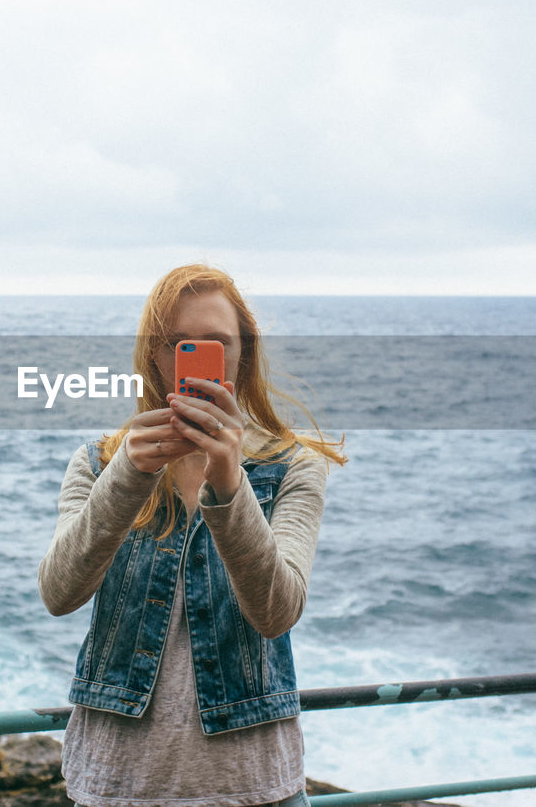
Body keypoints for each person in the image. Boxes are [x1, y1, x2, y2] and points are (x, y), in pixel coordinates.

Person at [38, 264, 346, 807]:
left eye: (216, 344)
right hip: (117, 785)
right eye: (178, 345)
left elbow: (276, 611)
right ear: (154, 357)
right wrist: (128, 478)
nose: (198, 359)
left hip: (252, 788)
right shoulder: (98, 463)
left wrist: (229, 485)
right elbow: (58, 592)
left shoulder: (294, 465)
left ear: (242, 354)